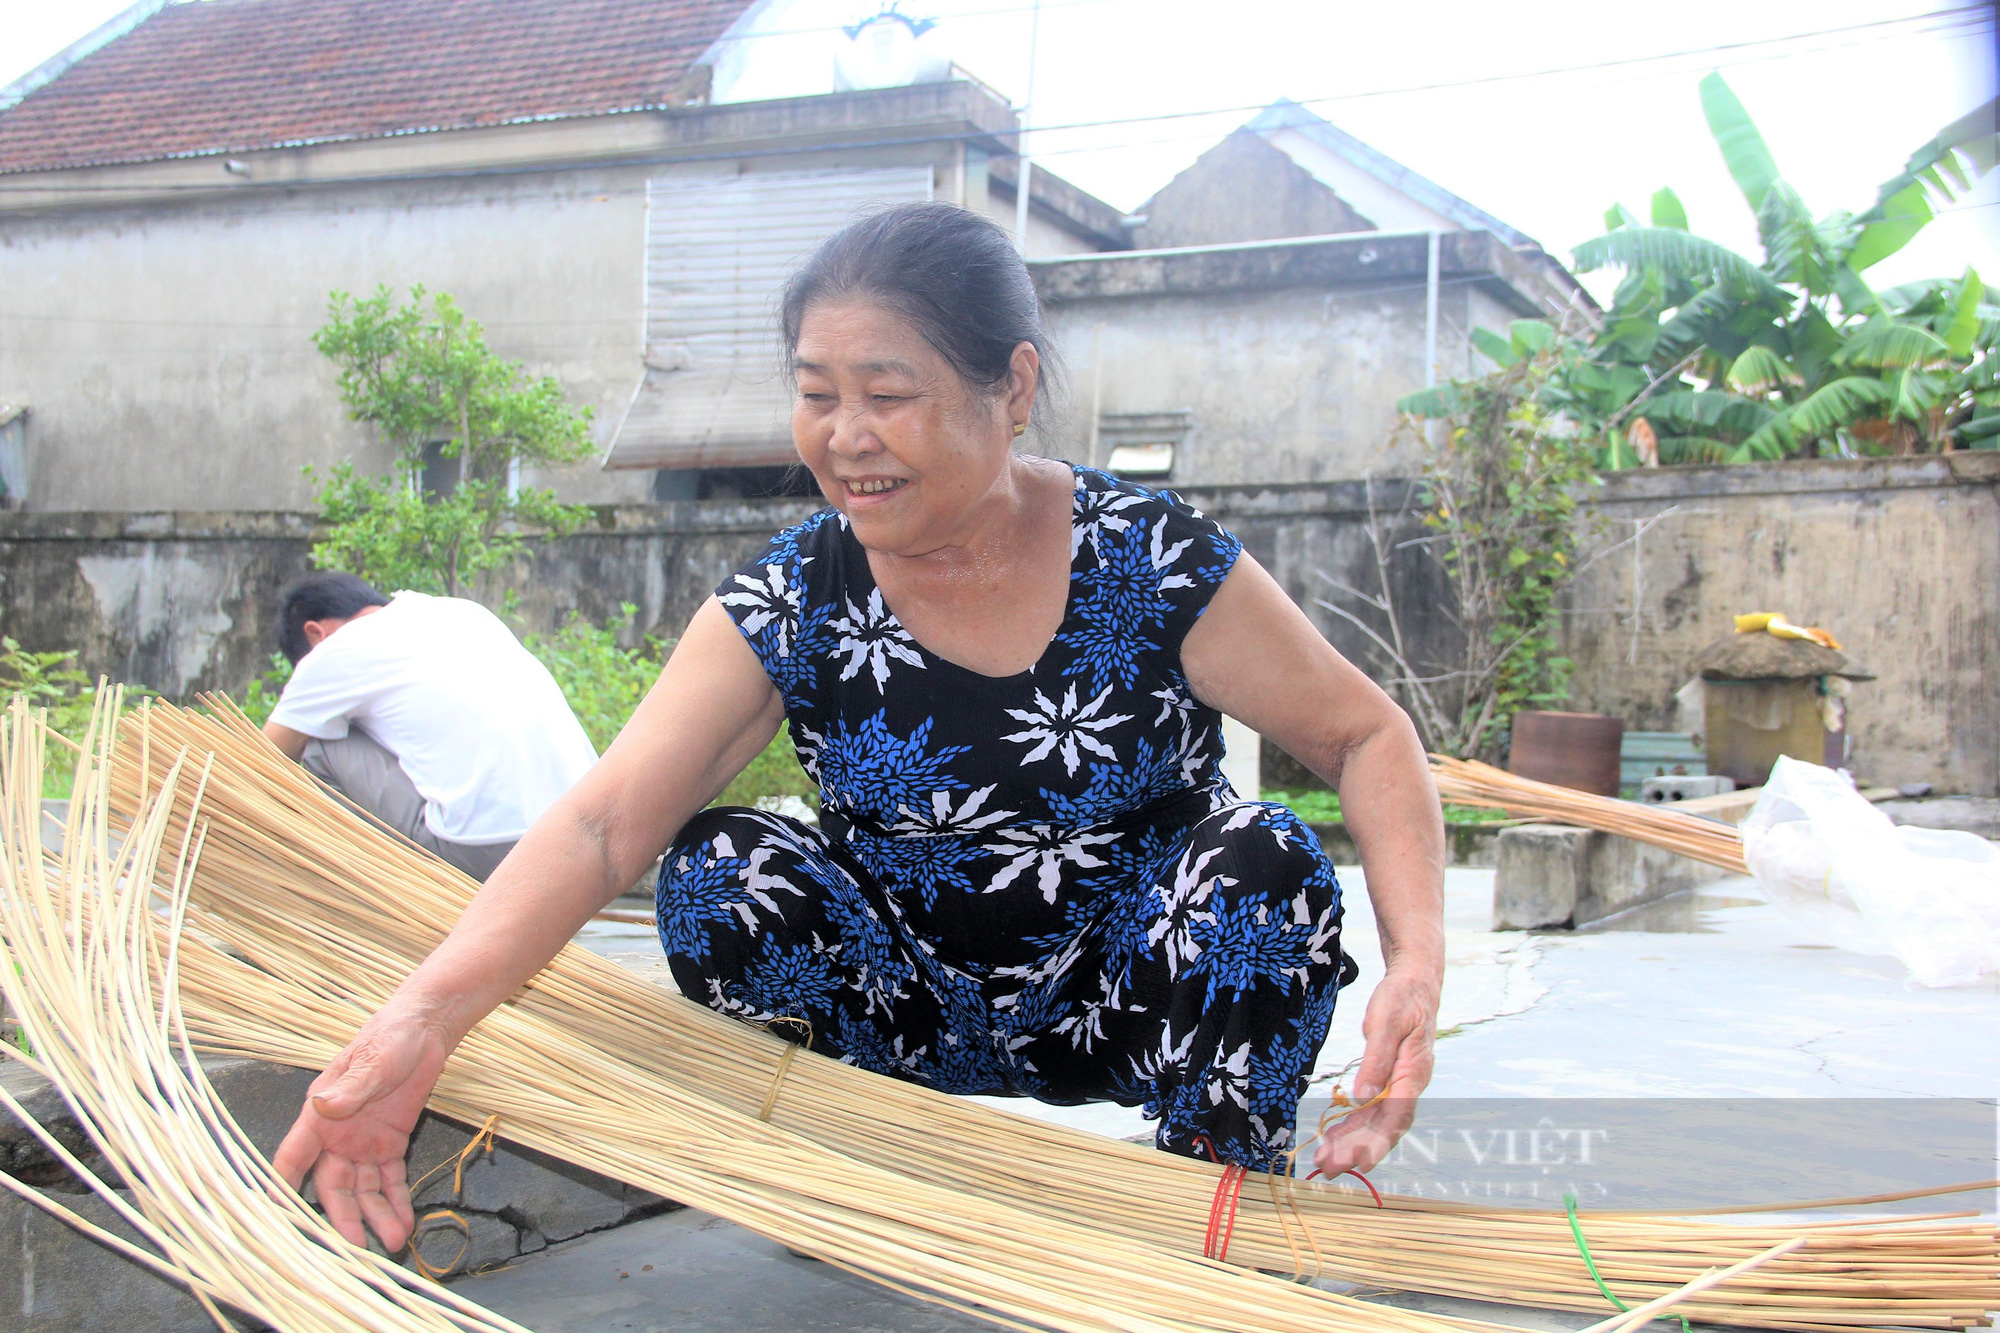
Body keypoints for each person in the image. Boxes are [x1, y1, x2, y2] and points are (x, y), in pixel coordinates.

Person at [274, 203, 1445, 1254]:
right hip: (908, 999)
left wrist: (1415, 963)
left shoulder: (1146, 557)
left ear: (1012, 388)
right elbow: (600, 825)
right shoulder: (794, 596)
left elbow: (1362, 737)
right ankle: (849, 1170)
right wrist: (415, 1025)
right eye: (815, 393)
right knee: (719, 872)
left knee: (1265, 865)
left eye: (887, 395)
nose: (844, 436)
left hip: (1128, 989)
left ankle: (1209, 1203)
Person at [260, 572, 598, 882]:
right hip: (585, 838)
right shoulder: (461, 612)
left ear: (314, 634)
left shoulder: (335, 650)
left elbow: (259, 758)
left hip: (491, 851)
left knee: (321, 744)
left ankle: (366, 900)